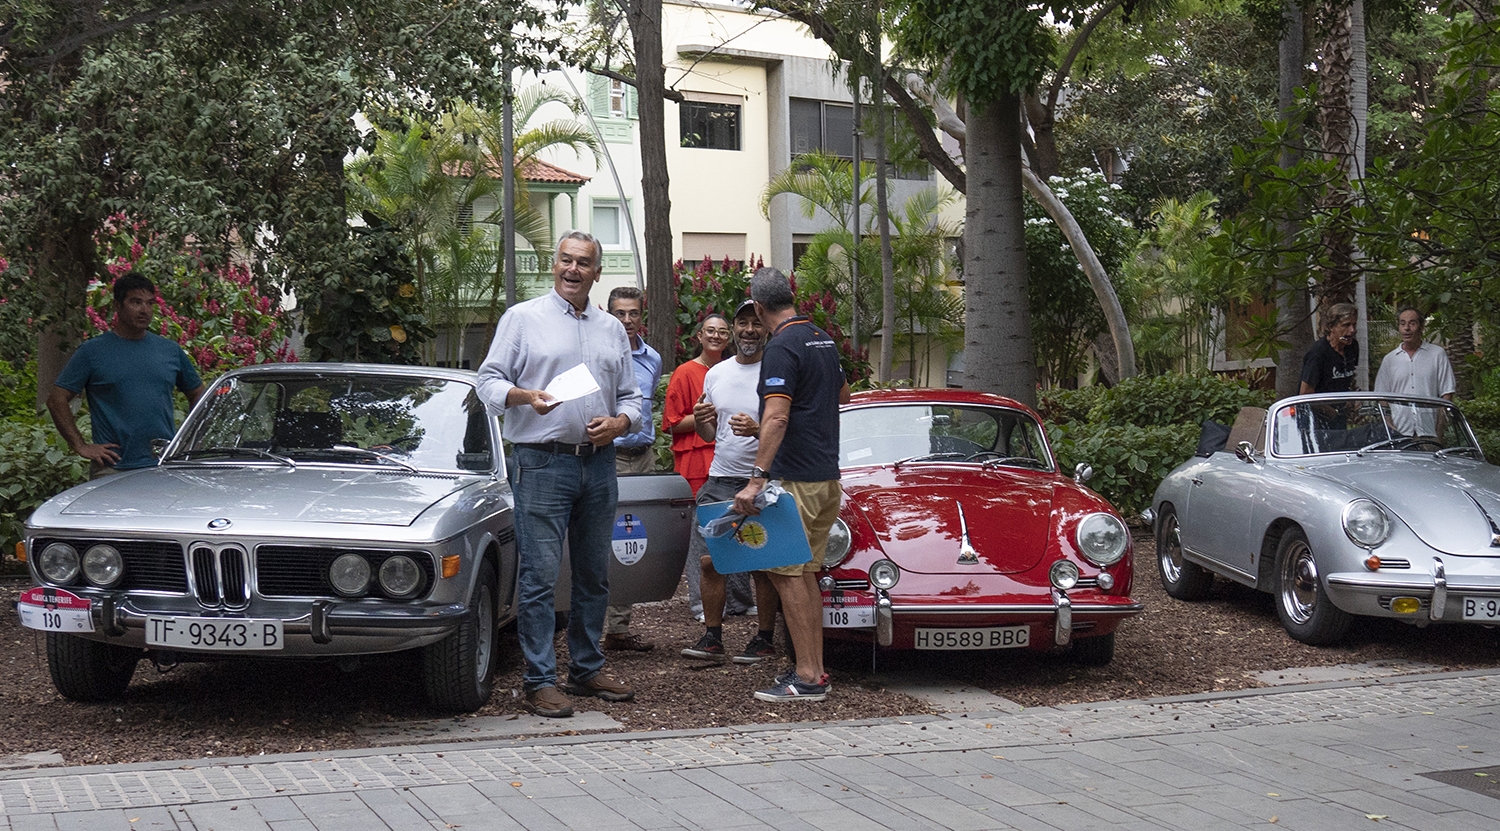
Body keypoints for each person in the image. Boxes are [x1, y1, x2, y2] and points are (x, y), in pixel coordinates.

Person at [476, 231, 641, 719]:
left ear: (596, 272)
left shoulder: (612, 328)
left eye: (583, 263)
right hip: (542, 462)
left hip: (599, 462)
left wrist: (619, 423)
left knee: (594, 574)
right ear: (554, 265)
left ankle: (586, 669)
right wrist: (526, 397)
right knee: (540, 577)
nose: (573, 270)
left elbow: (632, 398)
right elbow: (487, 382)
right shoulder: (523, 319)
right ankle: (540, 680)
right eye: (565, 260)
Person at [733, 267, 849, 703]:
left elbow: (777, 415)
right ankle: (816, 672)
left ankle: (804, 676)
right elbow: (843, 398)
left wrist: (756, 478)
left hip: (796, 479)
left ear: (759, 308)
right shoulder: (822, 338)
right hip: (827, 479)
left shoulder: (781, 346)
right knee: (808, 575)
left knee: (785, 576)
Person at [681, 298, 781, 664]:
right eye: (743, 323)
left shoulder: (776, 370)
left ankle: (765, 637)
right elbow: (710, 433)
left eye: (756, 323)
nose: (749, 330)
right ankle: (712, 637)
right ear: (734, 329)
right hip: (721, 477)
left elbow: (786, 427)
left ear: (765, 328)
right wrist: (702, 417)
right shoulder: (716, 373)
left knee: (764, 562)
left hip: (764, 479)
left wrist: (758, 432)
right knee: (709, 561)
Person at [48, 271, 205, 479]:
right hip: (112, 468)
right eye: (136, 302)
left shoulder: (169, 350)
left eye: (150, 303)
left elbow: (198, 394)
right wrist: (81, 445)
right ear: (117, 306)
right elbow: (56, 399)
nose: (144, 310)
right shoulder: (92, 352)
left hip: (163, 466)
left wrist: (188, 439)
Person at [603, 286, 663, 653]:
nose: (627, 320)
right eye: (620, 313)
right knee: (601, 539)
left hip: (643, 457)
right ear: (609, 314)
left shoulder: (652, 359)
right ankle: (591, 627)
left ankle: (619, 630)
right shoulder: (597, 353)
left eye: (633, 313)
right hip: (607, 456)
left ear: (642, 316)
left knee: (633, 540)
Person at [662, 312, 731, 621]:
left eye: (722, 332)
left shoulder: (734, 371)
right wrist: (706, 416)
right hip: (695, 462)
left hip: (729, 461)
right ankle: (700, 604)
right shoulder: (685, 372)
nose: (716, 336)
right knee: (701, 536)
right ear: (700, 336)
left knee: (734, 530)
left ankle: (738, 600)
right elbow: (672, 423)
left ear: (729, 338)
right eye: (710, 331)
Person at [1374, 305, 1456, 438]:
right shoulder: (1389, 360)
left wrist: (1439, 430)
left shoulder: (1437, 355)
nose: (1407, 328)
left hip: (1429, 432)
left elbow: (1447, 394)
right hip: (1399, 433)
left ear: (1421, 327)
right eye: (1402, 324)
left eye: (1412, 323)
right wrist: (1389, 425)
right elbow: (1381, 396)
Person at [1299, 302, 1360, 395]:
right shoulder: (1318, 353)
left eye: (1354, 325)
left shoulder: (1352, 346)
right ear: (1331, 327)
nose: (1352, 330)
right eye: (1346, 325)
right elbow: (1305, 393)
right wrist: (1330, 409)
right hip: (1316, 406)